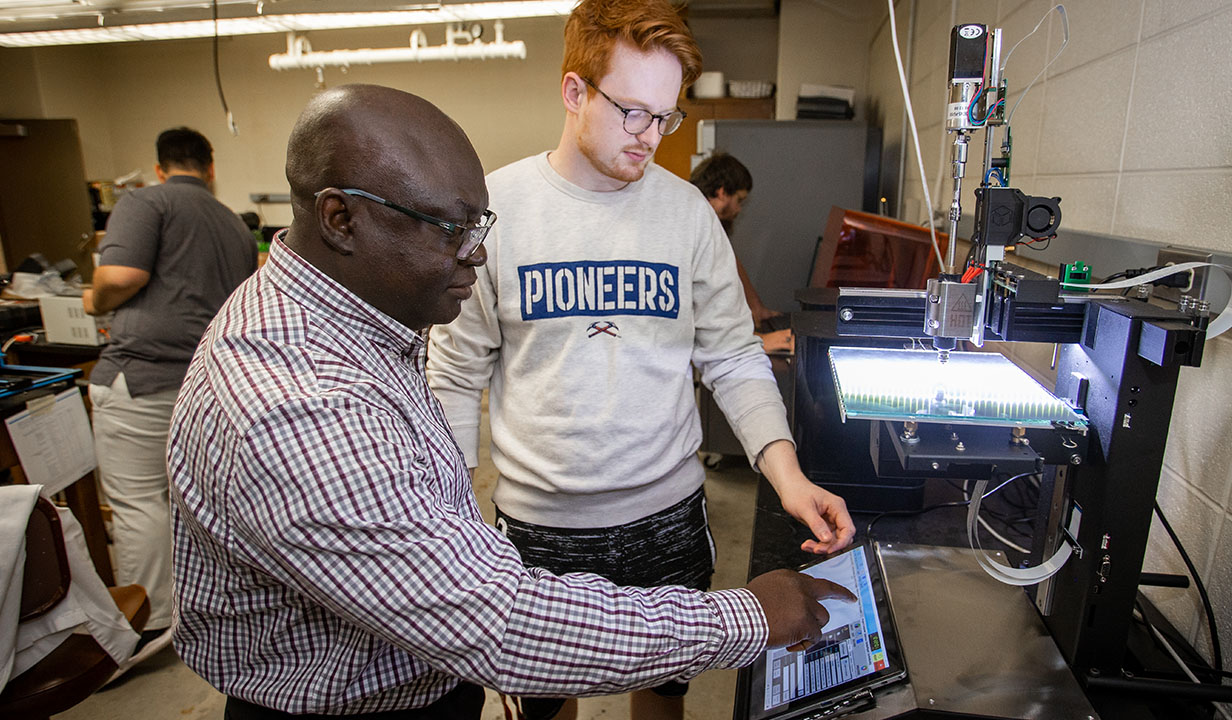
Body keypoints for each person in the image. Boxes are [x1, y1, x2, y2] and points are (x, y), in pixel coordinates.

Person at [166, 83, 851, 720]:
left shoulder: (360, 321)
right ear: (341, 218)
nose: (479, 255)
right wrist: (749, 617)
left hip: (436, 665)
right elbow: (495, 622)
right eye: (449, 228)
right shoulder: (297, 400)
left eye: (480, 224)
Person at [426, 2, 855, 718]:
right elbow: (454, 374)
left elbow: (733, 359)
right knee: (542, 707)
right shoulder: (497, 210)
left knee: (662, 702)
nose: (651, 137)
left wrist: (788, 477)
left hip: (667, 517)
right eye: (632, 113)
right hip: (539, 531)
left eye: (666, 117)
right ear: (573, 91)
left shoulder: (686, 213)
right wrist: (450, 519)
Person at [82, 126, 257, 673]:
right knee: (199, 505)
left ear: (160, 168)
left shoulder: (144, 201)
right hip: (213, 385)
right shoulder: (232, 221)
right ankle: (202, 609)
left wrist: (92, 299)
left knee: (138, 503)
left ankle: (153, 626)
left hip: (144, 377)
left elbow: (120, 274)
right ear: (209, 167)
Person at [690, 152, 793, 354]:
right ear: (721, 192)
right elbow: (700, 311)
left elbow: (729, 260)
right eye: (739, 200)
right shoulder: (692, 224)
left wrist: (756, 306)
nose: (738, 209)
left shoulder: (704, 219)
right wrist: (759, 341)